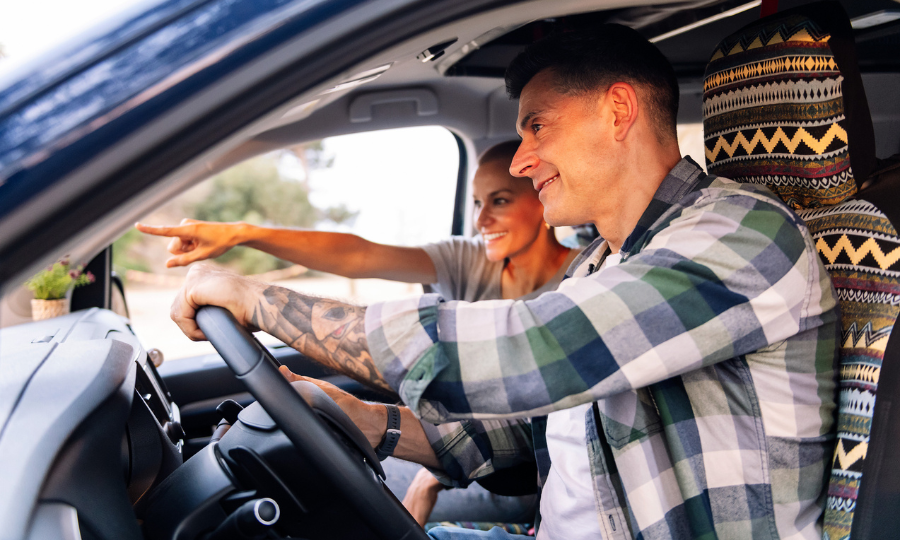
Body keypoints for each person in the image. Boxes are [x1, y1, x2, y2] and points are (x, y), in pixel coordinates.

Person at [169, 24, 839, 540]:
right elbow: (517, 436)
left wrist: (261, 300)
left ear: (617, 111)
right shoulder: (605, 264)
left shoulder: (742, 239)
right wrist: (360, 419)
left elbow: (528, 353)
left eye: (537, 127)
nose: (521, 161)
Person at [137, 141, 577, 525]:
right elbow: (359, 254)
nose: (481, 219)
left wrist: (427, 481)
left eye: (498, 201)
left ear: (541, 193)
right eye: (477, 203)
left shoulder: (581, 287)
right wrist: (241, 234)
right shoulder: (472, 260)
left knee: (327, 495)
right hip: (451, 442)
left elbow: (528, 425)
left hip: (518, 473)